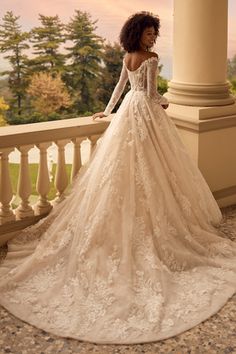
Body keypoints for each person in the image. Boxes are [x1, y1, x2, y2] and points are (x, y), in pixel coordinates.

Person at [0, 12, 236, 345]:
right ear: (138, 33)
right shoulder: (151, 60)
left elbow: (121, 88)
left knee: (123, 171)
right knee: (148, 170)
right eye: (149, 33)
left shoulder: (128, 57)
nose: (153, 39)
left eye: (155, 34)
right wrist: (166, 102)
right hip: (146, 115)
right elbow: (154, 95)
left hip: (128, 113)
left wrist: (109, 111)